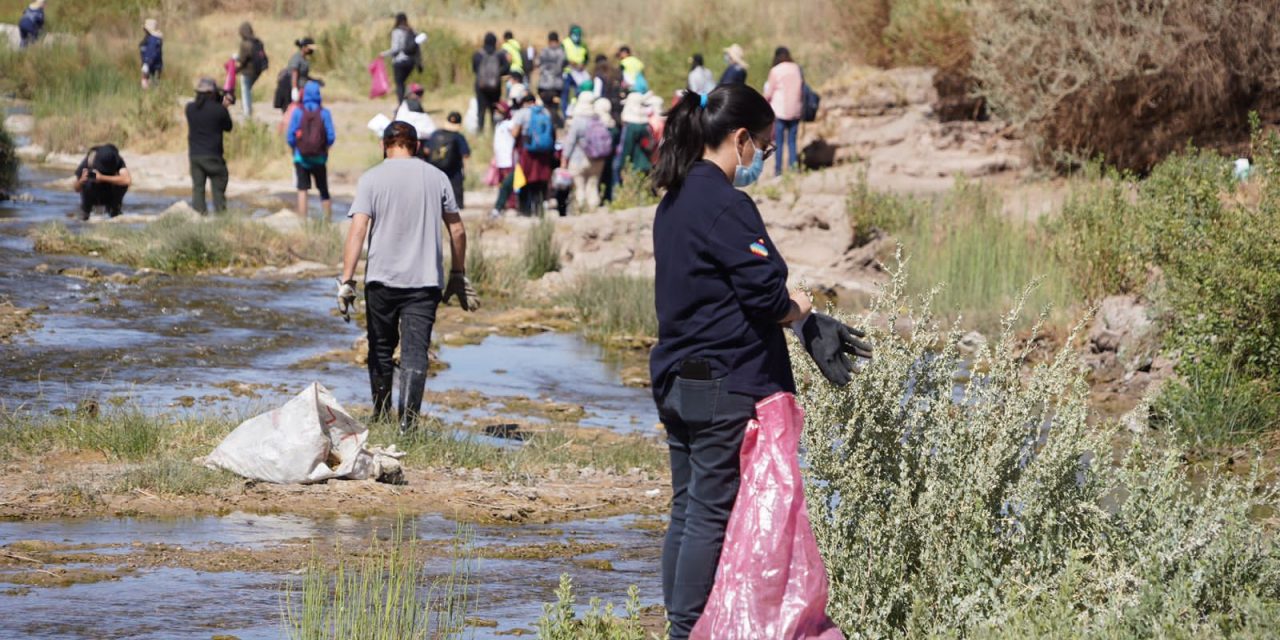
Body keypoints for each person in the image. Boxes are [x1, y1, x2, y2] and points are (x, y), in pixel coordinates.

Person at [648, 83, 872, 639]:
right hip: (723, 382)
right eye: (766, 148)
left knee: (687, 508)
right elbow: (766, 296)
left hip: (678, 378)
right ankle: (684, 632)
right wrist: (800, 308)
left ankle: (683, 626)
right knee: (707, 513)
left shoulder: (672, 200)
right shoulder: (725, 203)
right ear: (741, 138)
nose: (764, 159)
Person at [338, 121, 478, 433]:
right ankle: (408, 425)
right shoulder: (437, 177)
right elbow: (457, 228)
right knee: (416, 353)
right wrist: (458, 273)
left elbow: (358, 229)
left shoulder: (372, 178)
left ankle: (380, 413)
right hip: (424, 282)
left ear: (384, 145)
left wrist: (347, 280)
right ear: (416, 146)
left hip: (381, 280)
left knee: (381, 349)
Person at [286, 81, 336, 219]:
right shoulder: (325, 113)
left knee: (302, 189)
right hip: (320, 158)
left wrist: (296, 147)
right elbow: (331, 136)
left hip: (300, 158)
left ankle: (303, 222)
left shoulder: (297, 112)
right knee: (323, 190)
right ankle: (328, 222)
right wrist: (324, 149)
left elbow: (290, 136)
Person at [186, 78, 233, 214]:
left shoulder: (190, 108)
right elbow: (228, 127)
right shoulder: (219, 110)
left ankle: (199, 215)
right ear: (212, 93)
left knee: (198, 189)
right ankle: (221, 215)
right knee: (219, 184)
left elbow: (203, 109)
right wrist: (224, 106)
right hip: (213, 155)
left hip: (195, 156)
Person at [560, 91, 610, 212]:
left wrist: (564, 159)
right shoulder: (598, 118)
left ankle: (580, 212)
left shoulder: (578, 120)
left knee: (579, 186)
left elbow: (570, 142)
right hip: (598, 158)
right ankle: (593, 211)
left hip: (579, 159)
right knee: (593, 186)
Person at [509, 94, 555, 215]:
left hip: (527, 150)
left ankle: (525, 210)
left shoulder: (521, 113)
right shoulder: (545, 112)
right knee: (540, 178)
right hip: (544, 152)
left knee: (525, 177)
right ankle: (539, 208)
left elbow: (515, 133)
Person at [764, 47, 804, 176]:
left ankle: (778, 170)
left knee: (779, 143)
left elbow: (769, 92)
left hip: (780, 111)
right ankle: (793, 168)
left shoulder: (775, 70)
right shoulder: (796, 68)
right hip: (796, 110)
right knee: (792, 142)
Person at [73, 144, 131, 220]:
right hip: (93, 192)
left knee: (121, 184)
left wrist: (102, 177)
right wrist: (81, 181)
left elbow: (127, 180)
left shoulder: (116, 159)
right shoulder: (90, 160)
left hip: (110, 191)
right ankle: (86, 211)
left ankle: (114, 210)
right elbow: (76, 189)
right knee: (88, 182)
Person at [426, 112, 471, 210]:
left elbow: (427, 150)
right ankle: (458, 207)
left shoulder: (435, 134)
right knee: (456, 190)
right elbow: (466, 154)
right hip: (454, 171)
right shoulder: (458, 137)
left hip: (435, 168)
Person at [472, 33, 509, 132]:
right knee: (494, 110)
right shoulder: (500, 55)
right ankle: (494, 130)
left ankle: (480, 130)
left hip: (481, 87)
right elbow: (506, 68)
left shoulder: (478, 54)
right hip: (495, 88)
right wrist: (497, 74)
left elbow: (475, 69)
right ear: (495, 42)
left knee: (481, 110)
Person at [384, 13, 423, 105]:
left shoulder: (396, 32)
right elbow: (417, 48)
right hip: (411, 62)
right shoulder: (412, 31)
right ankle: (407, 103)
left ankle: (401, 106)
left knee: (400, 85)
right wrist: (419, 62)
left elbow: (395, 49)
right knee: (404, 83)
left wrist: (384, 54)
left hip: (399, 62)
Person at [618, 91, 655, 179]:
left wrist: (622, 166)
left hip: (634, 165)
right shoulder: (646, 124)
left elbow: (627, 147)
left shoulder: (632, 126)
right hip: (646, 163)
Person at [275, 38, 318, 112]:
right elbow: (294, 73)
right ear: (304, 47)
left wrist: (314, 80)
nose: (311, 51)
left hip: (300, 88)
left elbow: (303, 75)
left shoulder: (304, 59)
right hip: (291, 88)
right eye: (309, 48)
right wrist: (294, 89)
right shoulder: (297, 58)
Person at [490, 102, 517, 219]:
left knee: (508, 184)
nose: (496, 114)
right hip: (501, 160)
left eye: (499, 112)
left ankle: (512, 206)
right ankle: (505, 205)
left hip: (508, 160)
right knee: (502, 184)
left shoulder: (509, 124)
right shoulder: (499, 125)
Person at [235, 22, 267, 117]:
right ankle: (248, 110)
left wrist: (236, 68)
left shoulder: (244, 44)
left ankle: (247, 112)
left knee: (245, 92)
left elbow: (242, 59)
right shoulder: (258, 42)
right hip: (258, 70)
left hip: (247, 71)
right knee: (248, 90)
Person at [536, 32, 567, 128]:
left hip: (543, 85)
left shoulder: (544, 51)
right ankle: (554, 125)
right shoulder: (561, 52)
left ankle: (545, 124)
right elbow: (563, 65)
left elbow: (537, 63)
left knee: (545, 106)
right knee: (554, 107)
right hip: (556, 86)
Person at [561, 25, 590, 120]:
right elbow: (561, 57)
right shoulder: (565, 43)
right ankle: (565, 115)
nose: (577, 37)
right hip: (568, 71)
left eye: (578, 35)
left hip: (579, 73)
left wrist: (582, 65)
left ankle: (575, 111)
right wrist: (571, 63)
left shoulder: (583, 45)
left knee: (580, 92)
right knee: (565, 93)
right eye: (575, 34)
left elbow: (586, 58)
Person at [139, 18, 163, 90]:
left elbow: (151, 52)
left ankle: (149, 97)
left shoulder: (153, 39)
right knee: (153, 84)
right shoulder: (153, 38)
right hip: (155, 65)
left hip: (151, 66)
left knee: (148, 85)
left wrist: (147, 63)